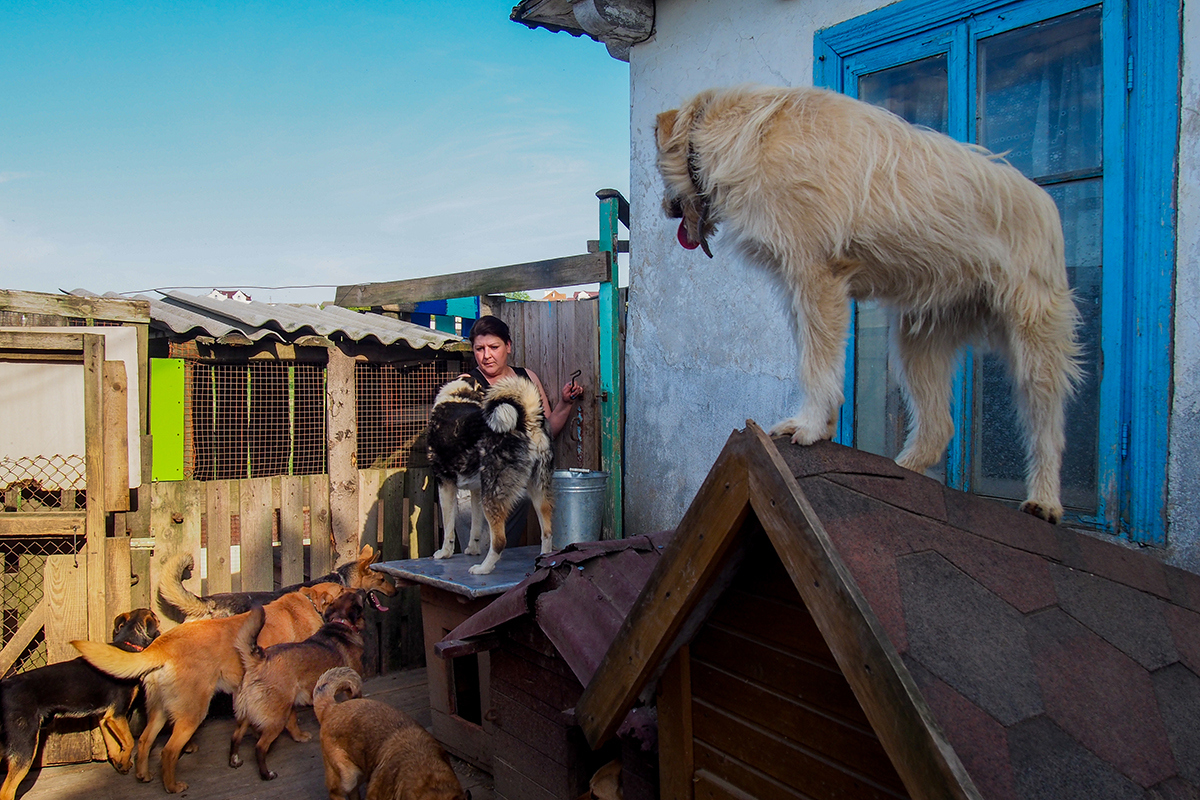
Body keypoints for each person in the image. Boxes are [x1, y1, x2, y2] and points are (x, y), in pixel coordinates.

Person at [452, 314, 585, 548]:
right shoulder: (467, 384)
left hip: (514, 489)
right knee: (478, 555)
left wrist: (566, 403)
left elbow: (547, 430)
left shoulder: (526, 377)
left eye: (494, 347)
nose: (487, 355)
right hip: (478, 488)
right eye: (479, 349)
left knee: (502, 556)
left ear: (508, 346)